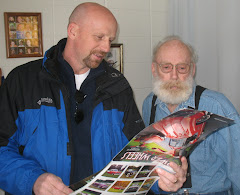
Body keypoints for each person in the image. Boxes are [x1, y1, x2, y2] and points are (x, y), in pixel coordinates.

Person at [0, 3, 186, 195]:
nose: (106, 47)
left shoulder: (118, 86)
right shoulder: (22, 81)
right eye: (99, 37)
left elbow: (138, 155)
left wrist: (161, 177)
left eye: (110, 39)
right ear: (73, 31)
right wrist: (32, 180)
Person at [143, 35, 240, 194]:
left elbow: (237, 167)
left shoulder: (216, 106)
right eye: (166, 67)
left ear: (192, 70)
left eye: (182, 68)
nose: (174, 76)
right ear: (154, 69)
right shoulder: (149, 104)